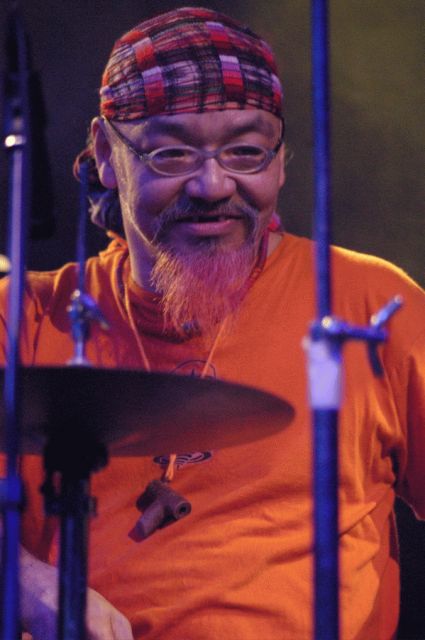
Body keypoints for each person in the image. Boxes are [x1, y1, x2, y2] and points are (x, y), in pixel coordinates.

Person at [0, 7, 424, 640]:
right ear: (106, 155)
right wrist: (23, 581)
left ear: (281, 161)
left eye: (246, 152)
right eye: (172, 153)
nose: (212, 184)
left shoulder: (369, 303)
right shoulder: (25, 316)